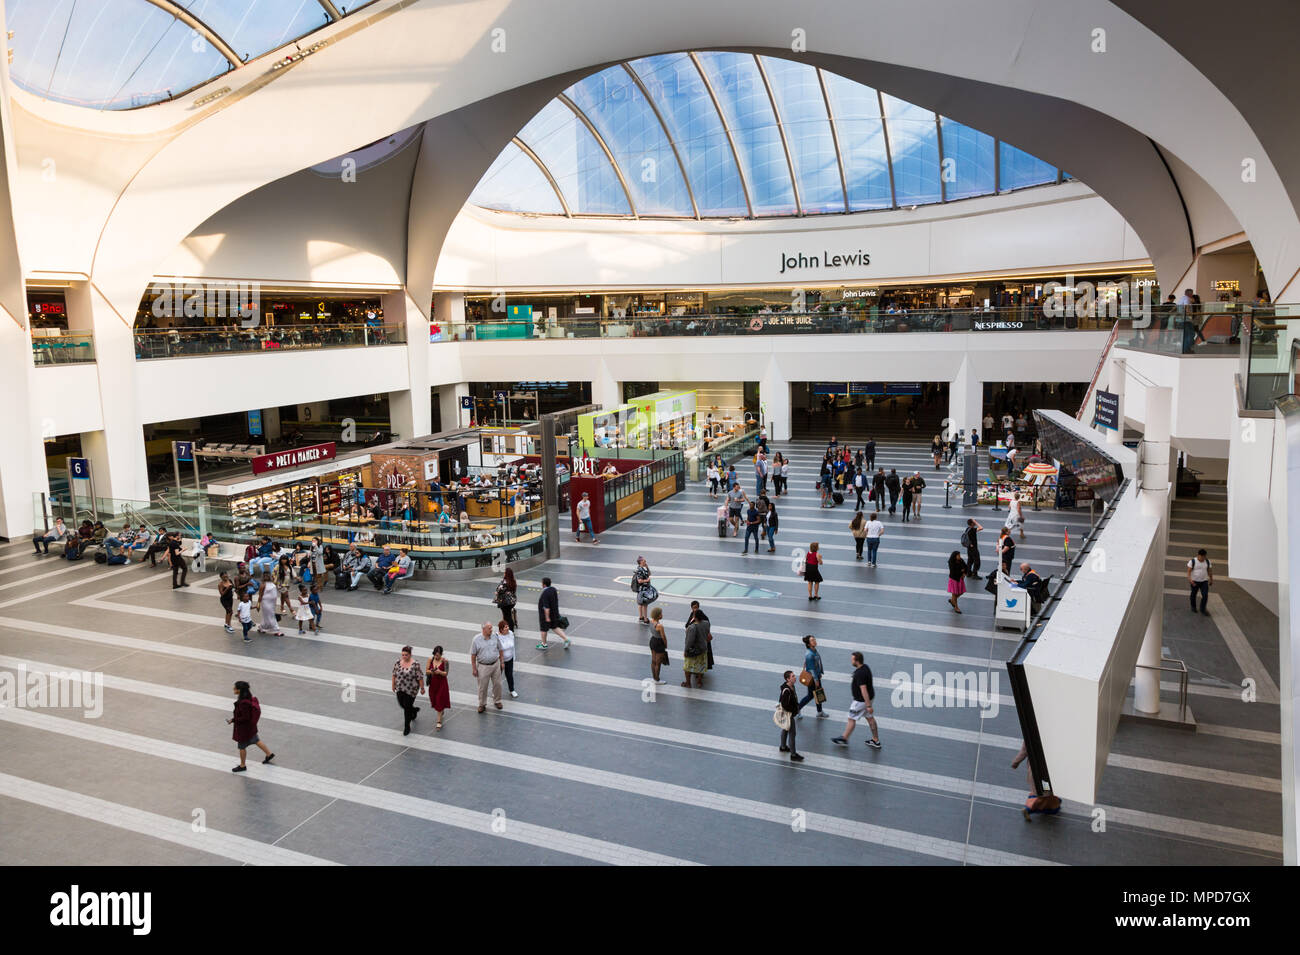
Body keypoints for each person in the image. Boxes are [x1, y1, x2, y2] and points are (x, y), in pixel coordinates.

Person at [833, 652, 882, 749]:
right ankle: (876, 740)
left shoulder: (859, 673)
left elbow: (863, 689)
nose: (851, 661)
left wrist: (868, 706)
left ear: (857, 661)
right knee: (870, 718)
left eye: (852, 659)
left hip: (860, 702)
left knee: (851, 719)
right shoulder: (865, 667)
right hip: (869, 698)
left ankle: (844, 738)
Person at [227, 681, 274, 772]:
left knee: (241, 747)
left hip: (244, 729)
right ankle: (269, 754)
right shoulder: (247, 697)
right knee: (256, 740)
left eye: (235, 688)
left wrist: (234, 720)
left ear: (239, 690)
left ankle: (242, 765)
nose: (233, 689)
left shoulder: (243, 703)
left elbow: (245, 717)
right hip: (250, 727)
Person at [470, 621, 504, 713]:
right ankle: (482, 704)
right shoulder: (476, 639)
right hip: (483, 666)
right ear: (483, 629)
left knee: (498, 684)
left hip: (495, 664)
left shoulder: (495, 636)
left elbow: (500, 649)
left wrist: (502, 662)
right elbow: (473, 655)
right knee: (483, 687)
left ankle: (497, 701)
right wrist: (474, 668)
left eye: (491, 627)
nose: (491, 629)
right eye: (489, 628)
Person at [392, 645, 424, 735]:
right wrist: (393, 684)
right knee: (402, 705)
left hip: (411, 689)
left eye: (406, 655)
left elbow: (420, 677)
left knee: (406, 708)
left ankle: (407, 727)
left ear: (410, 655)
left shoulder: (415, 664)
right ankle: (413, 710)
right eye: (402, 655)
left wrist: (422, 688)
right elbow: (394, 674)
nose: (404, 656)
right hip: (400, 688)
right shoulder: (398, 662)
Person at [798, 635, 827, 718]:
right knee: (810, 696)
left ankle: (819, 712)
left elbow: (816, 664)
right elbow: (811, 669)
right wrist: (816, 680)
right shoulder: (809, 654)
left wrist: (819, 673)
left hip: (816, 676)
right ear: (809, 644)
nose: (814, 641)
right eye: (812, 640)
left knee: (818, 693)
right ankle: (797, 708)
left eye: (814, 639)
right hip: (813, 679)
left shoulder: (813, 650)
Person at [536, 576, 570, 650]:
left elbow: (546, 607)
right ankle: (566, 639)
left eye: (541, 583)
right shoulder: (553, 589)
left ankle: (544, 644)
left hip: (546, 615)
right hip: (554, 613)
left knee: (543, 629)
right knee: (554, 627)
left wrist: (547, 617)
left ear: (544, 584)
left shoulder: (545, 593)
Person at [778, 671, 803, 762]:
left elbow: (794, 698)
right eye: (792, 676)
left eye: (794, 676)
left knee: (785, 729)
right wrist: (793, 710)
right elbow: (784, 704)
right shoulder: (787, 690)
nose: (795, 677)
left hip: (788, 713)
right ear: (788, 679)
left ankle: (783, 747)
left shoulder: (792, 686)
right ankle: (793, 754)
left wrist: (797, 705)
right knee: (792, 734)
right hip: (788, 714)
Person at [425, 645, 451, 729]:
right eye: (435, 655)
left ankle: (439, 721)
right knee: (434, 700)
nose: (436, 657)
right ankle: (441, 710)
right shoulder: (430, 659)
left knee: (439, 700)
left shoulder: (445, 661)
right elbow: (427, 671)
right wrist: (432, 672)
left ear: (441, 654)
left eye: (438, 655)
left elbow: (446, 673)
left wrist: (439, 672)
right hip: (433, 683)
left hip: (442, 684)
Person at [682, 611, 709, 688]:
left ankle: (688, 683)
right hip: (703, 648)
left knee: (687, 667)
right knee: (701, 665)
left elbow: (689, 641)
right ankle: (699, 682)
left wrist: (685, 650)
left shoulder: (692, 627)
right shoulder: (706, 623)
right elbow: (707, 633)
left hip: (693, 650)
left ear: (695, 617)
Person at [1188, 548, 1213, 615]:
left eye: (1204, 556)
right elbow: (1189, 572)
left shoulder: (1207, 561)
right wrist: (1190, 580)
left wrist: (1211, 579)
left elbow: (1209, 571)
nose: (1203, 558)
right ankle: (1193, 607)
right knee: (1193, 595)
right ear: (1198, 555)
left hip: (1204, 581)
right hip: (1194, 581)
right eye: (1202, 557)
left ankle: (1203, 609)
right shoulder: (1192, 561)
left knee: (1205, 595)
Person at [648, 606, 669, 685]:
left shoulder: (651, 621)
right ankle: (657, 679)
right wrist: (666, 644)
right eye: (661, 613)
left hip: (652, 640)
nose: (662, 615)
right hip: (659, 642)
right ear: (658, 615)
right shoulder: (660, 626)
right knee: (658, 662)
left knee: (653, 660)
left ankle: (654, 677)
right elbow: (663, 637)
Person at [497, 619, 518, 698]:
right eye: (505, 627)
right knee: (497, 677)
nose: (507, 628)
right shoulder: (497, 636)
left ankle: (512, 690)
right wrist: (501, 661)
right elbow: (498, 649)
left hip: (510, 659)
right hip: (500, 660)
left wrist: (513, 657)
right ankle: (495, 691)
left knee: (509, 675)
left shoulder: (511, 633)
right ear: (501, 629)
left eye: (507, 626)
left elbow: (513, 647)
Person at [495, 566, 519, 631]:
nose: (504, 574)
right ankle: (508, 629)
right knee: (508, 615)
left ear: (506, 574)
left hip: (505, 602)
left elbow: (498, 590)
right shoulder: (513, 581)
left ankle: (510, 630)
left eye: (505, 573)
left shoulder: (504, 582)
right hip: (512, 602)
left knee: (507, 617)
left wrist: (497, 592)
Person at [633, 556, 654, 623]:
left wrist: (647, 567)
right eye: (644, 561)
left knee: (641, 603)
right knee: (645, 604)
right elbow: (639, 581)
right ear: (640, 562)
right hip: (643, 589)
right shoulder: (639, 570)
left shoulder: (643, 568)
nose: (645, 562)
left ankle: (641, 617)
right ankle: (645, 619)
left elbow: (649, 573)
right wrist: (647, 580)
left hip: (644, 589)